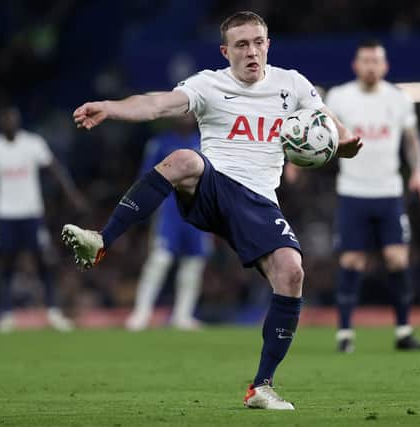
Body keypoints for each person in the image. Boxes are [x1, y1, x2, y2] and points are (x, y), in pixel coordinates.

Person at [61, 11, 361, 410]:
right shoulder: (209, 84)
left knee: (292, 272)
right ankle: (100, 240)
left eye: (258, 42)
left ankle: (261, 387)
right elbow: (157, 104)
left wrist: (344, 140)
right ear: (226, 51)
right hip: (215, 184)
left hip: (259, 202)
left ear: (268, 45)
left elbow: (327, 123)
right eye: (241, 44)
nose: (252, 51)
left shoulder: (293, 84)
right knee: (185, 158)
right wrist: (111, 108)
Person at [325, 40, 420, 353]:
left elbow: (412, 141)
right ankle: (344, 335)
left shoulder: (399, 99)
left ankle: (403, 332)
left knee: (397, 259)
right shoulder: (339, 97)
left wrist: (419, 173)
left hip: (388, 192)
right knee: (351, 260)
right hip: (352, 192)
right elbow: (322, 137)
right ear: (355, 65)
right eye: (365, 60)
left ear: (385, 67)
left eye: (376, 61)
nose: (371, 66)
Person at [0, 106, 87, 332]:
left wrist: (72, 195)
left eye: (12, 118)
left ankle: (53, 312)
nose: (9, 122)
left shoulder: (33, 144)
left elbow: (55, 169)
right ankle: (6, 314)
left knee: (45, 261)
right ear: (0, 123)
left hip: (32, 213)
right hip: (5, 214)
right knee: (5, 263)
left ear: (18, 120)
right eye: (4, 119)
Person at [125, 114, 211, 331]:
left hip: (198, 208)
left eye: (189, 113)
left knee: (194, 262)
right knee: (160, 260)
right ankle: (141, 314)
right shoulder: (160, 143)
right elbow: (146, 178)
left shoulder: (206, 142)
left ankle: (183, 316)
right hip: (169, 209)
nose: (185, 117)